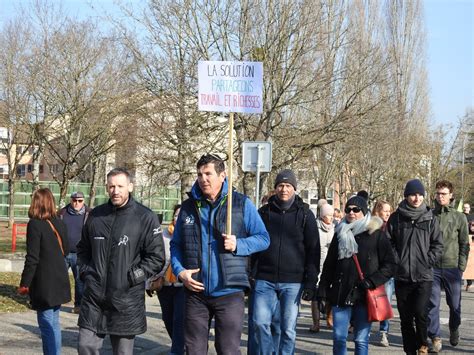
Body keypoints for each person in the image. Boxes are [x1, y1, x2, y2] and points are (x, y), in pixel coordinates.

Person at [170, 154, 270, 355]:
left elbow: (263, 238)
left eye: (208, 174)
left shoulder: (241, 204)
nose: (203, 179)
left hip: (229, 291)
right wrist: (180, 272)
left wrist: (238, 244)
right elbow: (176, 245)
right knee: (194, 351)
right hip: (195, 292)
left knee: (228, 350)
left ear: (222, 175)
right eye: (199, 174)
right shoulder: (189, 206)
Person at [77, 167, 165, 354]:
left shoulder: (145, 217)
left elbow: (156, 258)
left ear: (130, 187)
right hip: (94, 299)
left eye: (120, 186)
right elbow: (82, 249)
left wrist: (132, 277)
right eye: (111, 186)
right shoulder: (95, 215)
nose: (115, 191)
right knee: (85, 346)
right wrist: (86, 272)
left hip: (126, 300)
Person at [251, 169, 320, 354]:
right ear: (275, 188)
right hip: (264, 278)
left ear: (294, 188)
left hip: (293, 282)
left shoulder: (305, 214)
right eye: (280, 185)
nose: (284, 189)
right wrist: (250, 273)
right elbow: (254, 244)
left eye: (288, 185)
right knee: (259, 322)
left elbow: (314, 250)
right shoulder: (264, 213)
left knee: (288, 329)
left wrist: (311, 282)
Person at [318, 195, 396, 355]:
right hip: (341, 292)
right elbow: (329, 265)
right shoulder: (340, 233)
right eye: (348, 209)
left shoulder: (376, 234)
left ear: (365, 211)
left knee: (361, 339)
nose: (351, 213)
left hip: (364, 294)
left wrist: (371, 282)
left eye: (356, 209)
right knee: (339, 337)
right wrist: (323, 290)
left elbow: (390, 266)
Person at [386, 179, 443, 355]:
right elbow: (389, 243)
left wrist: (427, 261)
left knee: (420, 313)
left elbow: (438, 245)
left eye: (419, 194)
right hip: (402, 276)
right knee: (405, 318)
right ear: (406, 196)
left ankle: (422, 343)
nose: (416, 198)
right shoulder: (396, 218)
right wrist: (397, 261)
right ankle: (410, 351)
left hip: (423, 276)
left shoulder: (430, 217)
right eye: (412, 194)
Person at [18, 188, 71, 355]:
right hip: (60, 280)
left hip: (45, 283)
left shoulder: (35, 225)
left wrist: (24, 283)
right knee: (54, 324)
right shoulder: (59, 222)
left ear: (36, 203)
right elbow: (67, 250)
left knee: (47, 326)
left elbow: (32, 258)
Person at [427, 180, 470, 352]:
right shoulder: (429, 215)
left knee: (454, 305)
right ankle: (435, 338)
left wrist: (460, 267)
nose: (440, 196)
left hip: (452, 267)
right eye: (438, 193)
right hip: (433, 267)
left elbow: (464, 244)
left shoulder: (459, 217)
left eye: (443, 193)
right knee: (432, 304)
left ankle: (454, 328)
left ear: (451, 196)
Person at [146, 204, 185, 354]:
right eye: (176, 215)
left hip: (183, 286)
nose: (177, 218)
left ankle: (178, 350)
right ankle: (180, 345)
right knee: (167, 319)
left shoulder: (190, 235)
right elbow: (154, 258)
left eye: (181, 216)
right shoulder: (162, 236)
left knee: (179, 320)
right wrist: (149, 282)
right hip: (165, 285)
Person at [58, 191, 91, 314]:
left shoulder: (90, 214)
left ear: (84, 201)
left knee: (80, 280)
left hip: (80, 254)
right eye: (74, 200)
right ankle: (55, 302)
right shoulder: (62, 213)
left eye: (80, 201)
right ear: (70, 200)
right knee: (58, 278)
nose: (77, 203)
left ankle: (79, 305)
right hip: (63, 253)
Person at [371, 200, 394, 347]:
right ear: (378, 211)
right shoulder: (371, 226)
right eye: (385, 210)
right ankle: (363, 329)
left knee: (386, 302)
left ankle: (383, 332)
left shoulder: (392, 226)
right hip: (374, 270)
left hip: (389, 270)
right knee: (372, 302)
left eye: (389, 211)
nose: (387, 213)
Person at [309, 203, 335, 333]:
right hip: (316, 265)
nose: (331, 218)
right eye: (328, 215)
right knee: (315, 295)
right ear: (322, 216)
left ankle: (329, 319)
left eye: (332, 215)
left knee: (329, 294)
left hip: (330, 266)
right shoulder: (315, 227)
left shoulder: (335, 228)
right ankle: (316, 322)